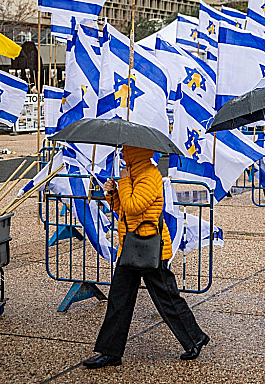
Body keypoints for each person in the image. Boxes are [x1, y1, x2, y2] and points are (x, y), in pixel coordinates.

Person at [83, 145, 209, 369]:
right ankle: (110, 351)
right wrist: (112, 194)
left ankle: (194, 337)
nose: (122, 154)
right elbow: (122, 210)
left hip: (151, 247)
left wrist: (122, 182)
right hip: (131, 246)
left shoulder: (149, 176)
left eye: (125, 151)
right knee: (118, 300)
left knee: (167, 297)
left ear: (136, 151)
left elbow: (133, 207)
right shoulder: (134, 174)